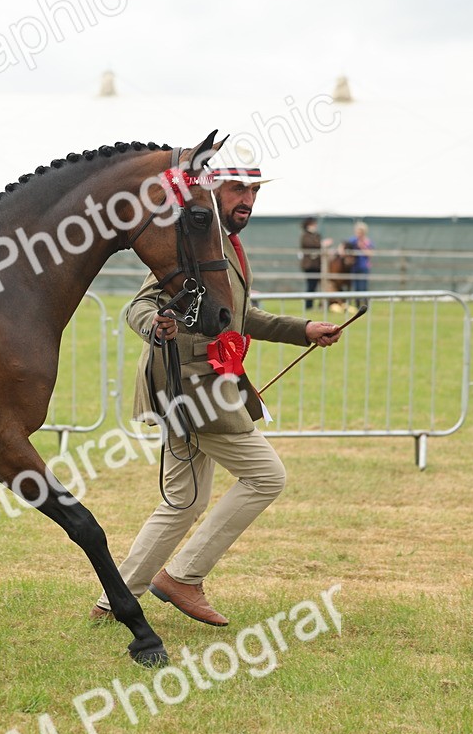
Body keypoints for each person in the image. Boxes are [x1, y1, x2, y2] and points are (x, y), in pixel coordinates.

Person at [90, 153, 342, 627]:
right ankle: (183, 576)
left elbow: (241, 318)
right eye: (237, 191)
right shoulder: (193, 242)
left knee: (182, 503)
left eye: (254, 193)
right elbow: (140, 306)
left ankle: (114, 600)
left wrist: (303, 328)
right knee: (267, 476)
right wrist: (156, 326)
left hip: (194, 388)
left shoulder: (225, 245)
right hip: (191, 388)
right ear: (212, 193)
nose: (247, 201)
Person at [298, 217, 332, 309]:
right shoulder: (305, 236)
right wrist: (322, 244)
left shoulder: (316, 235)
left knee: (319, 285)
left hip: (318, 265)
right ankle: (308, 305)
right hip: (310, 266)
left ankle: (320, 304)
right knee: (311, 286)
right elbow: (311, 245)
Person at [342, 221, 373, 307]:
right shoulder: (353, 240)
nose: (358, 234)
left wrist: (362, 246)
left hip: (364, 266)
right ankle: (357, 305)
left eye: (360, 232)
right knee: (356, 287)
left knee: (363, 286)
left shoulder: (367, 241)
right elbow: (344, 245)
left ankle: (365, 304)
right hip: (355, 266)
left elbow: (370, 254)